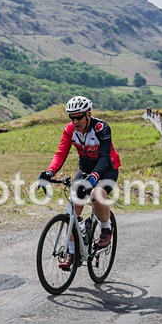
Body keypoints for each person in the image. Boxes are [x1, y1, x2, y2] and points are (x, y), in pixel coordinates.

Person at [39, 96, 120, 270]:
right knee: (72, 210)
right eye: (71, 117)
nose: (75, 121)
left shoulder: (101, 128)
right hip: (84, 169)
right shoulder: (70, 130)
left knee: (96, 195)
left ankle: (106, 228)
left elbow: (105, 157)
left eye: (79, 117)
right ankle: (72, 253)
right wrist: (50, 172)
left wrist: (95, 176)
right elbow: (61, 153)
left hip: (106, 169)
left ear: (88, 114)